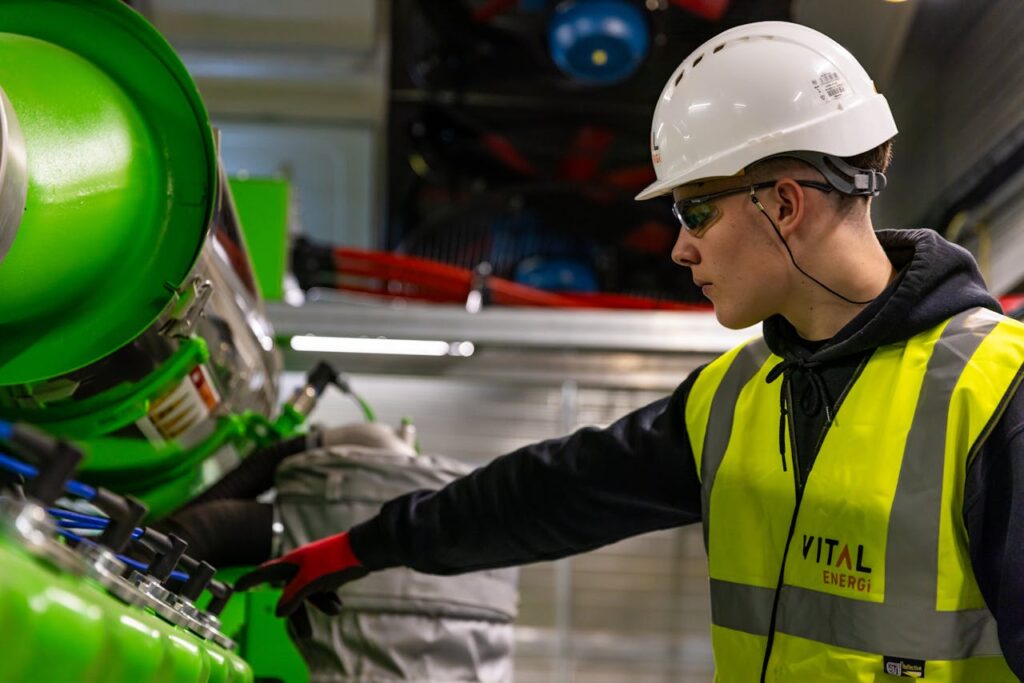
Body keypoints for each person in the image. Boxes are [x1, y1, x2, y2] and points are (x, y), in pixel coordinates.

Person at [238, 21, 1024, 682]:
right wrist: (367, 543)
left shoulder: (996, 397)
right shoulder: (735, 397)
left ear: (784, 204)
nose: (680, 249)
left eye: (696, 211)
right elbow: (552, 492)